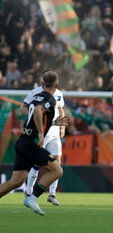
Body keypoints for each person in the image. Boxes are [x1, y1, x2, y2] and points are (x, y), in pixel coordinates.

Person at [0, 71, 69, 215]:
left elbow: (34, 112)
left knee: (16, 182)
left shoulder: (36, 96)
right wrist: (41, 133)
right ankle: (33, 198)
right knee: (57, 170)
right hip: (32, 143)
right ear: (56, 85)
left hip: (23, 141)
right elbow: (38, 111)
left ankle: (33, 196)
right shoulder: (50, 99)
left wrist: (54, 122)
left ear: (42, 84)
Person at [20, 71, 65, 206]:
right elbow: (23, 108)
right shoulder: (35, 92)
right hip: (42, 132)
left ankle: (52, 194)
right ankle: (28, 192)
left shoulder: (58, 94)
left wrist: (62, 127)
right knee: (38, 163)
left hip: (55, 132)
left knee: (57, 162)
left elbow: (61, 110)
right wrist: (36, 118)